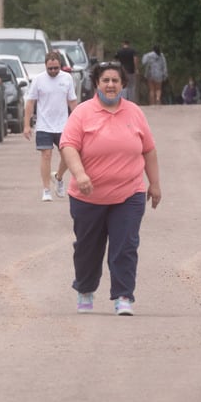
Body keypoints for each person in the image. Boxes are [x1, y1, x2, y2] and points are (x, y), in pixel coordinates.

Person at [60, 61, 161, 316]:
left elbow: (148, 149)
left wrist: (155, 184)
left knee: (125, 246)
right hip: (87, 196)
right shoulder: (82, 113)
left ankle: (123, 296)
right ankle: (85, 289)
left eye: (115, 80)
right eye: (105, 80)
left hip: (129, 194)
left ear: (123, 84)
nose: (111, 85)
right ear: (96, 84)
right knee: (87, 248)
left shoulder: (135, 113)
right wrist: (80, 174)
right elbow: (68, 146)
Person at [24, 51, 78, 202]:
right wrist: (26, 125)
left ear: (60, 65)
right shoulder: (38, 80)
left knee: (68, 156)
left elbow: (72, 102)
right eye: (50, 69)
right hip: (44, 125)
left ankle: (58, 177)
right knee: (46, 155)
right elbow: (30, 103)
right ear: (45, 66)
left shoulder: (67, 78)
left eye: (56, 68)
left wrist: (79, 121)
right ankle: (46, 189)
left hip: (63, 125)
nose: (53, 71)